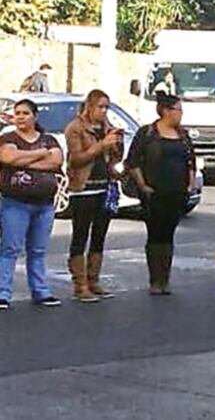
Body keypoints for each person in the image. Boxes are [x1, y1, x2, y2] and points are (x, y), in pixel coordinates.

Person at [126, 94, 196, 295]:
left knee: (168, 235)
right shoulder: (147, 133)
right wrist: (143, 185)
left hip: (176, 192)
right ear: (166, 111)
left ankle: (165, 278)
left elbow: (190, 160)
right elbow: (133, 162)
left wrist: (190, 185)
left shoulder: (182, 135)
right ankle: (155, 279)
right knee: (155, 234)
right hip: (154, 192)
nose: (180, 114)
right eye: (178, 110)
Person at [0, 99, 65, 309]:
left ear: (35, 116)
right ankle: (3, 293)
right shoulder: (8, 138)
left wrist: (25, 159)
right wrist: (39, 154)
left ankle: (41, 291)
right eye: (17, 113)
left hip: (44, 204)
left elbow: (55, 161)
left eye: (25, 113)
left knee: (37, 250)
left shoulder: (49, 139)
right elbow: (9, 158)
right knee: (10, 248)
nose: (20, 117)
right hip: (15, 203)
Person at [64, 90, 124, 302]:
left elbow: (114, 158)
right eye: (100, 107)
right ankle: (80, 285)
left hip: (104, 186)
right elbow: (76, 160)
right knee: (80, 235)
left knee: (99, 235)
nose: (104, 111)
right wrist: (101, 145)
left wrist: (117, 143)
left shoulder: (106, 127)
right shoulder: (76, 128)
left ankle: (93, 279)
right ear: (89, 106)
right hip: (84, 187)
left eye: (107, 107)